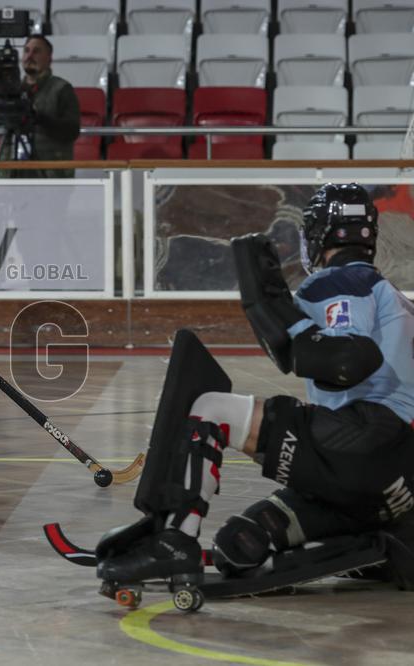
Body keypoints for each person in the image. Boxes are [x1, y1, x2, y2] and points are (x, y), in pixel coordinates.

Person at [97, 183, 414, 591]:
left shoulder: (337, 281)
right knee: (239, 545)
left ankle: (176, 540)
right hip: (395, 485)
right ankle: (372, 546)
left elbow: (346, 359)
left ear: (315, 234)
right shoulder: (398, 300)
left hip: (361, 444)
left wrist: (288, 321)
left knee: (211, 407)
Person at [0, 34, 80, 178]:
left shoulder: (62, 89)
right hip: (11, 173)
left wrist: (38, 117)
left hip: (49, 175)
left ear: (49, 59)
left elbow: (72, 131)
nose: (30, 55)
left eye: (36, 51)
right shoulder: (7, 89)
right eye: (26, 50)